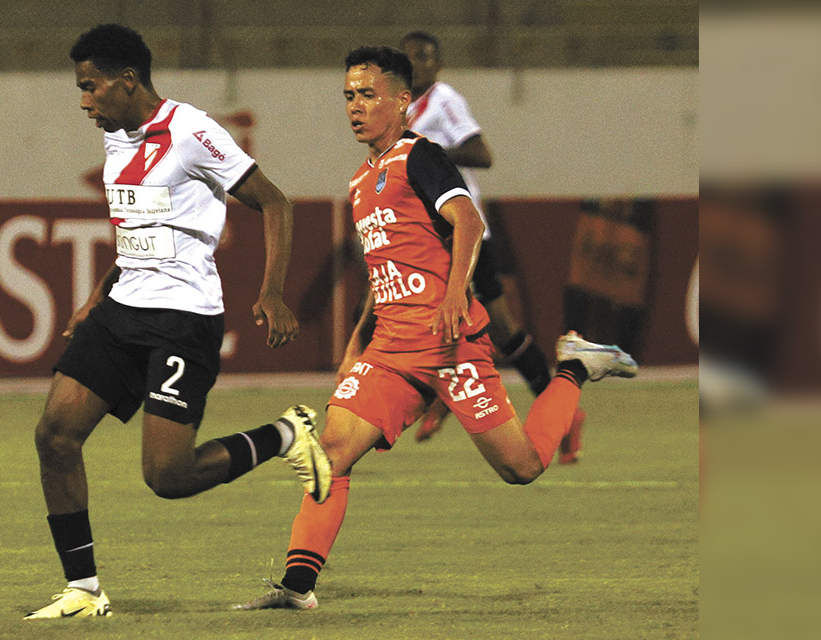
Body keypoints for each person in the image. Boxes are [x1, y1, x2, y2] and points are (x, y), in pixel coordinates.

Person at [235, 46, 637, 611]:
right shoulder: (359, 181)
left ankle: (573, 365)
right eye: (348, 95)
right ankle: (297, 586)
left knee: (521, 468)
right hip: (393, 346)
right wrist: (356, 345)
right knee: (331, 453)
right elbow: (385, 272)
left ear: (403, 101)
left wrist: (453, 298)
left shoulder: (419, 157)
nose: (355, 106)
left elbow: (468, 222)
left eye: (368, 94)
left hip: (450, 346)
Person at [24, 24, 331, 620]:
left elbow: (276, 202)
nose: (84, 101)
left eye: (90, 88)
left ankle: (285, 436)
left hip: (182, 319)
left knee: (168, 476)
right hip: (122, 311)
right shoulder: (116, 137)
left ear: (128, 80)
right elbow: (139, 233)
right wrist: (96, 295)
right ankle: (84, 591)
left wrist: (271, 291)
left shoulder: (191, 132)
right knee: (54, 435)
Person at [397, 31, 586, 462]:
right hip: (430, 235)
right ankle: (552, 409)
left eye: (424, 57)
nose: (417, 64)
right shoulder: (401, 106)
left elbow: (482, 153)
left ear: (438, 65)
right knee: (471, 325)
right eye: (408, 57)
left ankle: (556, 406)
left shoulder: (444, 100)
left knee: (490, 327)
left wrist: (429, 150)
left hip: (464, 234)